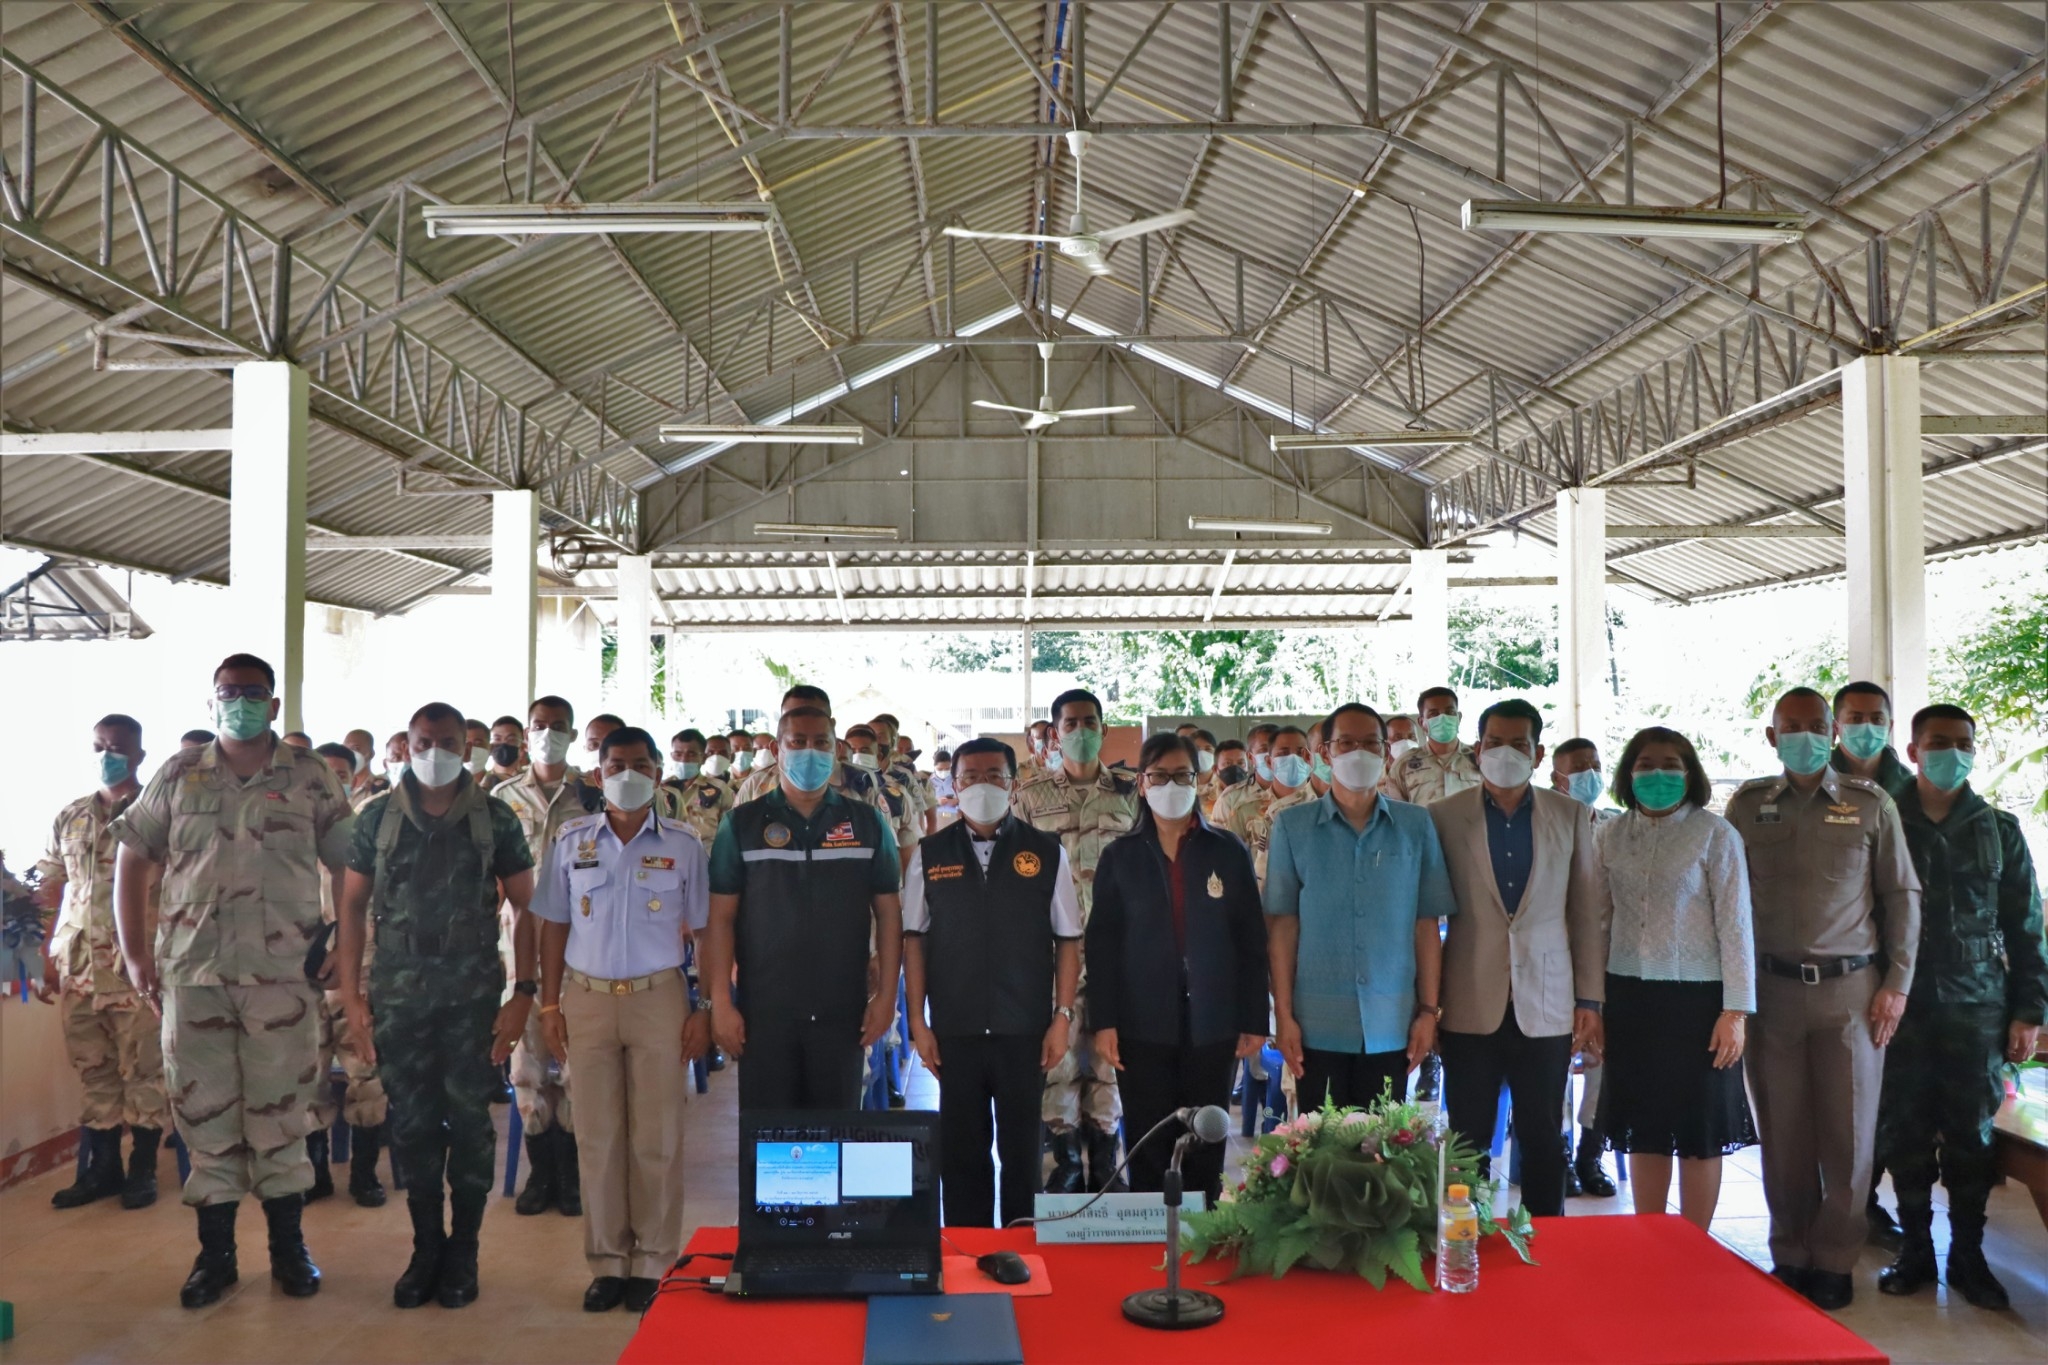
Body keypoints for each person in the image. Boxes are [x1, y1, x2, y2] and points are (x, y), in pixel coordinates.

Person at [109, 653, 356, 1307]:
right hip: (194, 975)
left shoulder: (310, 775)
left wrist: (347, 943)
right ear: (211, 700)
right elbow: (132, 858)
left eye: (252, 692)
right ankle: (215, 1256)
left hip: (283, 977)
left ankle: (289, 1250)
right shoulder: (178, 772)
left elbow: (352, 866)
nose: (239, 702)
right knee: (204, 1115)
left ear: (273, 704)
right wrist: (135, 954)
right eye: (228, 691)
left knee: (282, 1114)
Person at [335, 703, 537, 1309]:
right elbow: (351, 908)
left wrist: (523, 993)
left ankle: (464, 1250)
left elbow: (528, 906)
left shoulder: (494, 818)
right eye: (424, 742)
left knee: (471, 1123)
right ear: (407, 744)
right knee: (413, 1124)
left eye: (447, 741)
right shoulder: (377, 818)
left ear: (466, 748)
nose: (434, 752)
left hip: (472, 994)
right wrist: (352, 996)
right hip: (399, 994)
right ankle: (426, 1248)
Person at [1726, 686, 1920, 1310]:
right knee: (1782, 1133)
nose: (1804, 736)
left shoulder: (1869, 804)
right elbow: (1725, 900)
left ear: (1832, 732)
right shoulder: (1748, 805)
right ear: (1771, 735)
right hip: (1771, 992)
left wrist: (1897, 983)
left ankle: (1835, 1259)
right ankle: (1790, 1251)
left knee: (1849, 1134)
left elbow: (1902, 896)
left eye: (1815, 726)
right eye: (1791, 727)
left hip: (1852, 993)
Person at [1875, 704, 2046, 1310]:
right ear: (1914, 751)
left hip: (1979, 1008)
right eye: (1939, 742)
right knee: (1904, 1132)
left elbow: (2026, 925)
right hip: (1900, 1005)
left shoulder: (1999, 829)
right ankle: (1916, 1250)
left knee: (1973, 1137)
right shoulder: (1884, 822)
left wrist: (2029, 1010)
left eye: (1963, 743)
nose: (1953, 753)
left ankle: (1968, 1255)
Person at [534, 726, 710, 1315]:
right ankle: (608, 1261)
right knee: (598, 1135)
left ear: (658, 774)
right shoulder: (571, 839)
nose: (627, 774)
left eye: (639, 764)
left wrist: (705, 1007)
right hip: (586, 997)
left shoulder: (684, 844)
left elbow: (706, 931)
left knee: (657, 1136)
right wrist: (550, 1004)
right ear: (598, 772)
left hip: (658, 996)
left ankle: (654, 1260)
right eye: (615, 765)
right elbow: (554, 923)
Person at [1428, 698, 1609, 1219]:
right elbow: (1427, 919)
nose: (1504, 753)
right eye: (1494, 743)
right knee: (1467, 1136)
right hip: (1468, 999)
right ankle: (1466, 1234)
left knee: (1543, 1134)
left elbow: (1584, 915)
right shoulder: (1442, 817)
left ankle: (1546, 1241)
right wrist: (1428, 1005)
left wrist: (1589, 1000)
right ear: (1477, 749)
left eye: (1517, 744)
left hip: (1547, 1002)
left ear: (1538, 753)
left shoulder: (1570, 816)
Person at [902, 738, 1080, 1228]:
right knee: (961, 1154)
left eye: (994, 775)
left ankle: (1022, 1249)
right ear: (954, 785)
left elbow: (1068, 938)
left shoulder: (1046, 851)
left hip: (1024, 1030)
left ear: (1013, 784)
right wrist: (918, 1021)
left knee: (1023, 1153)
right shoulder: (930, 854)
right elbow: (914, 939)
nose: (982, 785)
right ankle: (969, 1250)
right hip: (954, 1030)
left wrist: (1062, 1017)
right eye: (970, 777)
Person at [1087, 732, 1268, 1203]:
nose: (1172, 786)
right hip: (1141, 1022)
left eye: (1182, 775)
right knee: (1149, 1136)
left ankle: (1201, 1225)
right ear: (1142, 784)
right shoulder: (1120, 856)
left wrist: (1254, 1018)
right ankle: (1152, 1230)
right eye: (1160, 776)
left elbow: (1251, 940)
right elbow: (1102, 945)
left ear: (1198, 780)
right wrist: (1103, 1021)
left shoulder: (1227, 850)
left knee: (1207, 1133)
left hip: (1214, 1022)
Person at [1594, 727, 1756, 1232]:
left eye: (1670, 764)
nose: (1657, 774)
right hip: (1628, 997)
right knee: (1643, 1125)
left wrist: (1736, 1012)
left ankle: (1693, 1245)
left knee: (1697, 1129)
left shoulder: (1715, 834)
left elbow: (1736, 926)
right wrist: (1592, 1003)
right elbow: (1598, 922)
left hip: (1700, 1005)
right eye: (1645, 764)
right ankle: (1650, 1242)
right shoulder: (1610, 834)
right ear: (1628, 773)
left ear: (1690, 774)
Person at [702, 705, 902, 1110]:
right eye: (798, 742)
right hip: (764, 1008)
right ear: (778, 749)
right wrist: (720, 1002)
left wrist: (886, 998)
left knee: (835, 1126)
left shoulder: (866, 822)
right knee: (768, 1132)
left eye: (820, 742)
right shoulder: (741, 824)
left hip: (843, 1006)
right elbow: (720, 919)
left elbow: (889, 912)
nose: (809, 751)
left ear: (836, 749)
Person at [1266, 704, 1455, 1112]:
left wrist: (1428, 1012)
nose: (1359, 752)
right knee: (1321, 1143)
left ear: (1386, 751)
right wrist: (1283, 1015)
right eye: (1346, 743)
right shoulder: (1292, 826)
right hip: (1316, 1023)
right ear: (1325, 752)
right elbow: (1283, 927)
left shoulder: (1415, 825)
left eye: (1370, 743)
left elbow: (1425, 925)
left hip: (1393, 1023)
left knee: (1385, 1143)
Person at [35, 713, 171, 1211]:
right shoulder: (71, 816)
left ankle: (143, 1171)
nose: (107, 755)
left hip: (138, 969)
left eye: (116, 747)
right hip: (81, 970)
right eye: (99, 746)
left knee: (145, 1072)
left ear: (139, 755)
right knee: (94, 1070)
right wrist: (43, 954)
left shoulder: (160, 815)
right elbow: (51, 887)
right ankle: (104, 1170)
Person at [1013, 688, 1141, 1194]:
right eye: (1071, 723)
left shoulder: (1133, 793)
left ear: (1104, 729)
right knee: (1058, 1060)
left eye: (1090, 722)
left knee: (1112, 1060)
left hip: (1120, 954)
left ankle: (1106, 1157)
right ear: (1054, 732)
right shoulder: (1029, 797)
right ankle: (1065, 1160)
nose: (1081, 731)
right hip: (1054, 954)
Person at [494, 695, 604, 1217]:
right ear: (525, 731)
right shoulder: (501, 797)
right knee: (527, 1064)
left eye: (558, 726)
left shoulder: (592, 795)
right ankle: (542, 1173)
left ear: (573, 734)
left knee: (579, 1064)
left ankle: (574, 1175)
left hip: (581, 946)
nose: (547, 734)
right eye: (539, 725)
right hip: (518, 948)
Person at [308, 742, 391, 1208]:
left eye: (341, 773)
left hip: (359, 971)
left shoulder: (369, 826)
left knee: (367, 1074)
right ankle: (316, 1172)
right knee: (306, 1076)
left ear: (355, 775)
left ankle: (364, 1174)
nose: (332, 781)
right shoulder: (287, 828)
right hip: (301, 976)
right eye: (325, 772)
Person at [1549, 735, 1617, 1197]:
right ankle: (1556, 1155)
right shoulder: (1545, 824)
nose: (1589, 774)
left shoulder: (1616, 827)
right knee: (1552, 1063)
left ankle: (1590, 1155)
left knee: (1602, 1063)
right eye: (1578, 768)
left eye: (1594, 765)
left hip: (1609, 962)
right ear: (1557, 778)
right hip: (1555, 961)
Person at [1227, 725, 1316, 883]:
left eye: (1300, 753)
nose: (1293, 759)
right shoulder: (1245, 810)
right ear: (1269, 761)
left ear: (1310, 758)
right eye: (1283, 753)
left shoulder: (1323, 807)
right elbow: (1231, 867)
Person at [1385, 687, 1482, 806]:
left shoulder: (1478, 758)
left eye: (1449, 712)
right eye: (1434, 714)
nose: (1443, 718)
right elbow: (1396, 810)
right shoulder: (1404, 764)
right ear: (1422, 722)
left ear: (1459, 717)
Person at [662, 728, 732, 847]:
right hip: (669, 853)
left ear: (703, 758)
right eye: (678, 754)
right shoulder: (661, 789)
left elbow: (729, 830)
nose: (684, 760)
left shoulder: (720, 790)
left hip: (706, 854)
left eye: (691, 754)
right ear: (671, 756)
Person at [483, 716, 526, 791]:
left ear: (522, 746)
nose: (503, 744)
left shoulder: (531, 779)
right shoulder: (483, 784)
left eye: (511, 739)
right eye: (497, 739)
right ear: (490, 746)